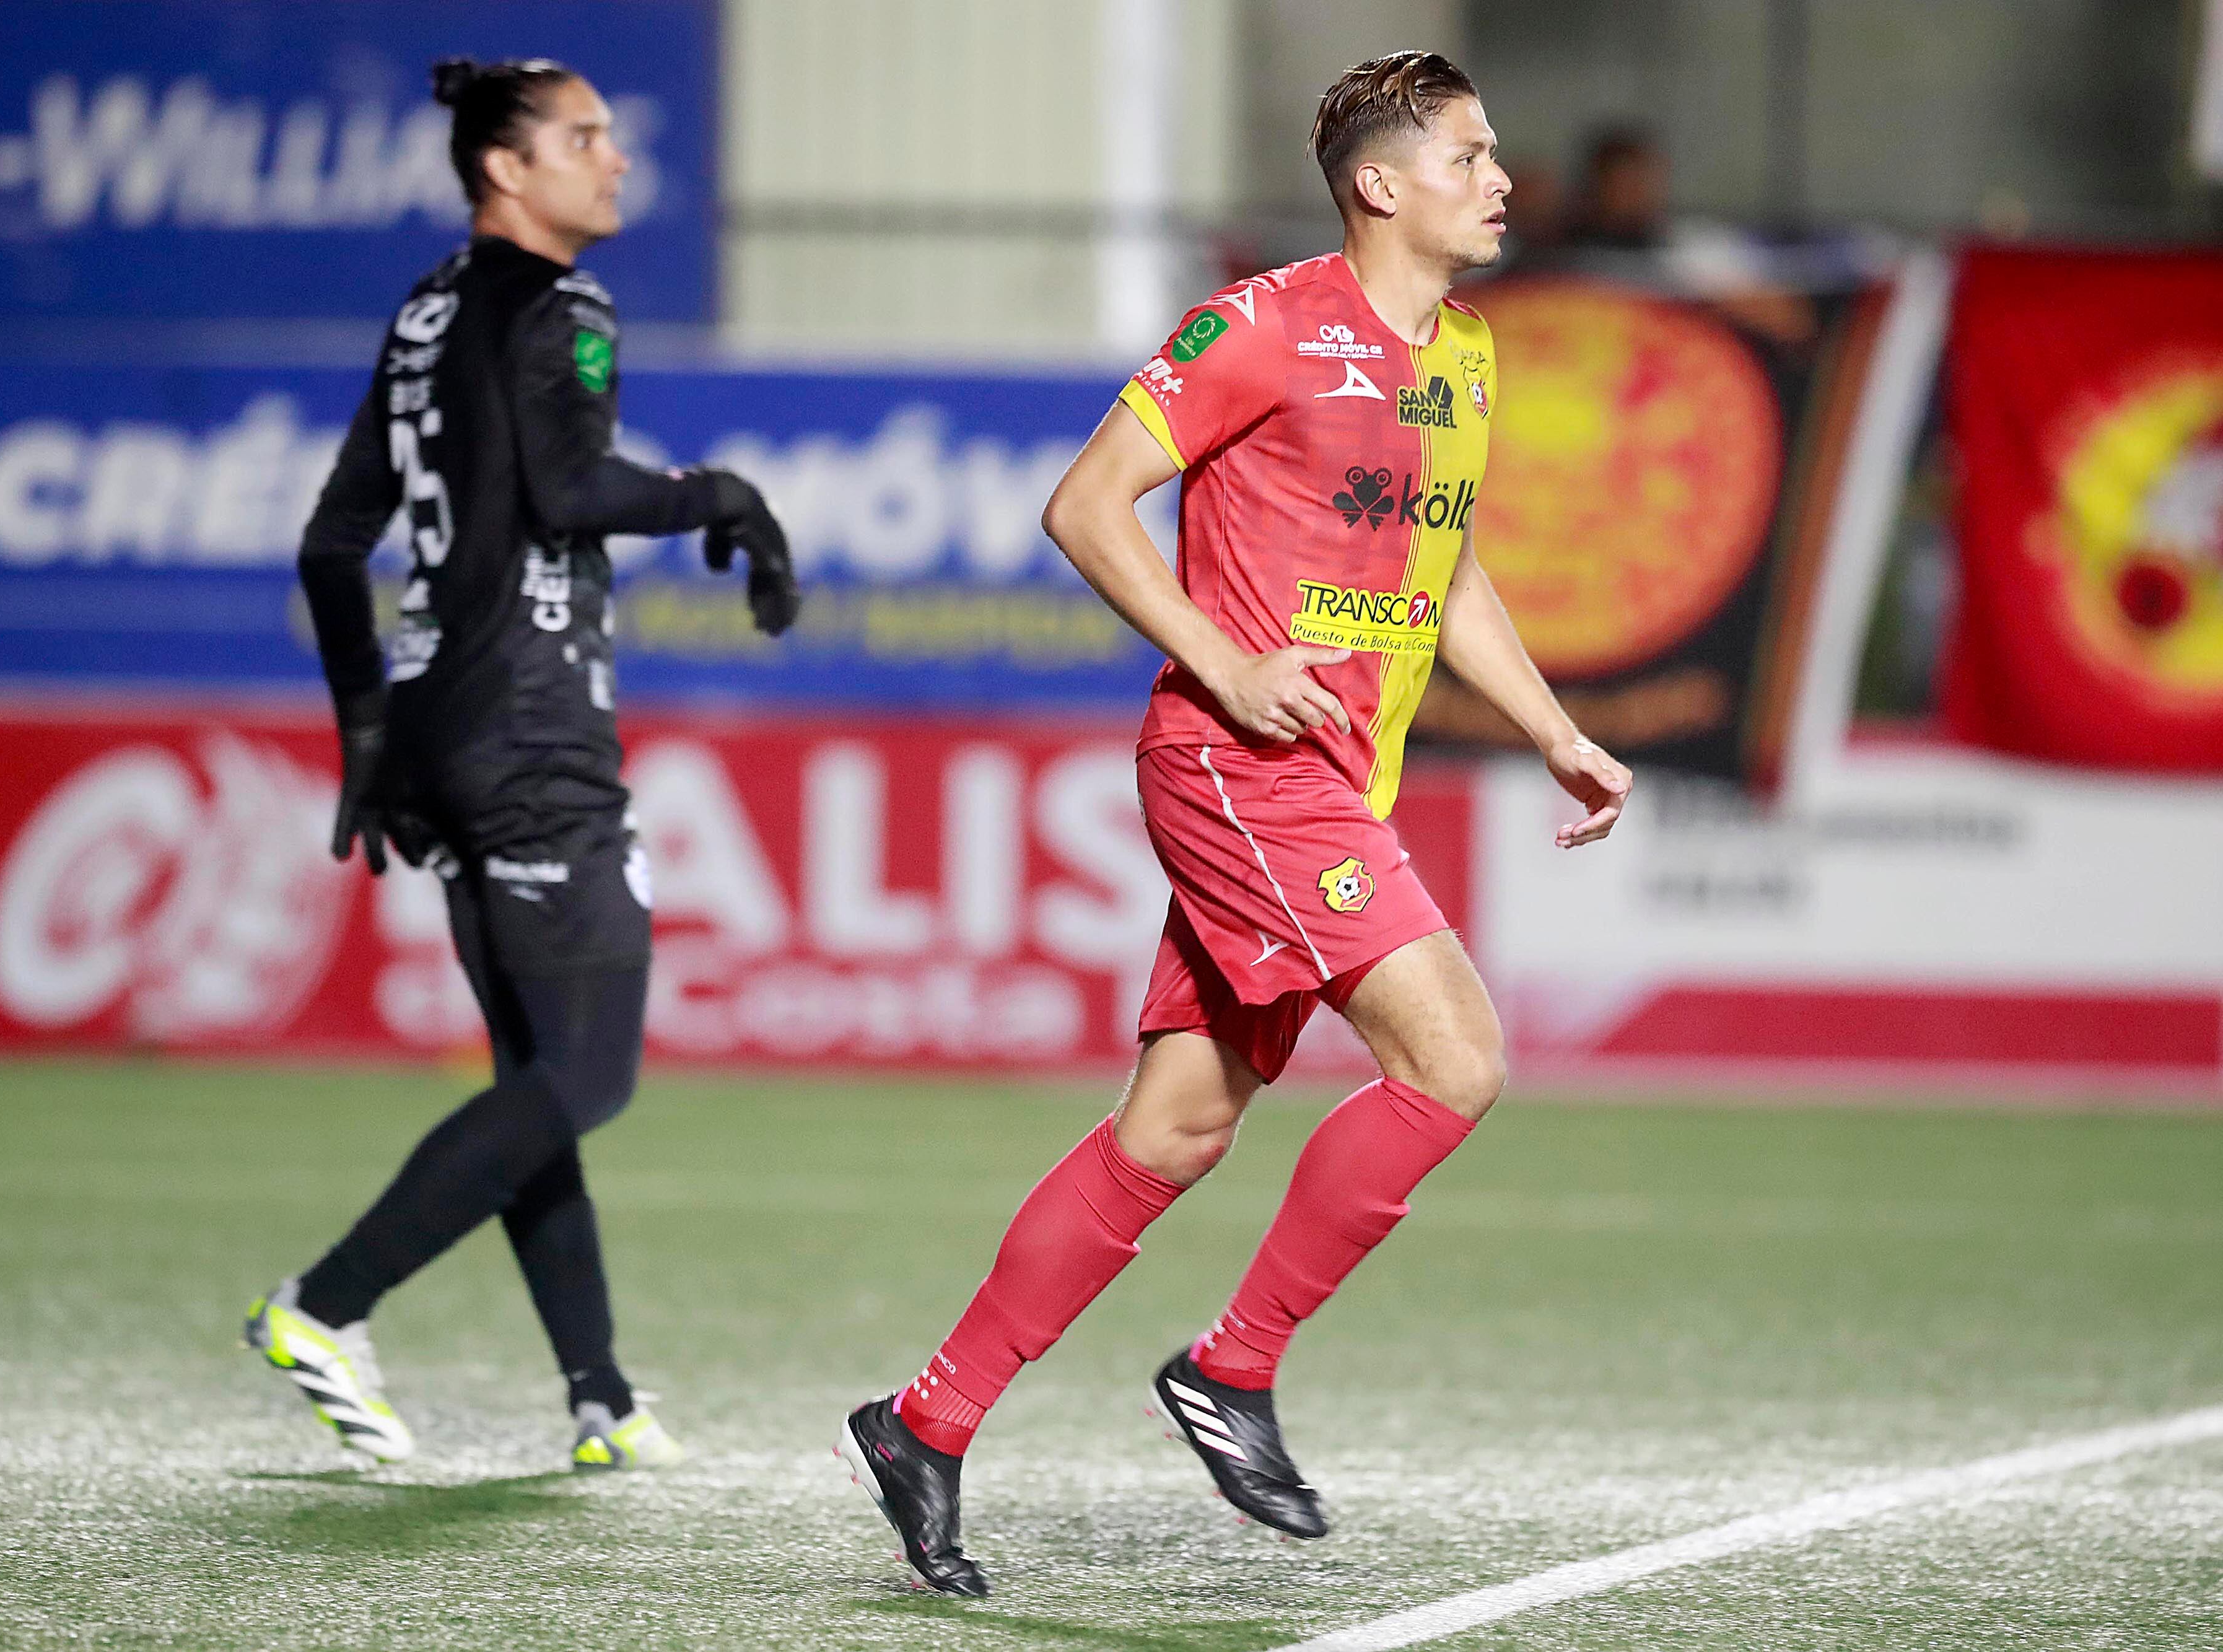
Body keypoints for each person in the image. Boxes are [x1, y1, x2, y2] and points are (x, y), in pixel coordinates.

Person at [837, 51, 1632, 1596]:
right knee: (1454, 1055)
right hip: (1236, 764)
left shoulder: (1463, 357)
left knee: (1178, 1125)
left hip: (1322, 780)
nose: (1502, 182)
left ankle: (923, 1420)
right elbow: (1084, 502)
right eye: (1469, 156)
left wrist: (1552, 731)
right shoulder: (1261, 324)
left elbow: (1441, 573)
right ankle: (1234, 1364)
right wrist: (1222, 656)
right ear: (1379, 184)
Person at [243, 56, 797, 1470]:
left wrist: (369, 730)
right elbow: (570, 489)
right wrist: (719, 493)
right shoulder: (566, 309)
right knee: (590, 1075)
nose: (614, 162)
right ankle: (325, 1304)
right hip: (529, 724)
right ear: (507, 168)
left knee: (538, 1074)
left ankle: (601, 1394)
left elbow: (329, 543)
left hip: (436, 722)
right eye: (585, 139)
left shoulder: (426, 310)